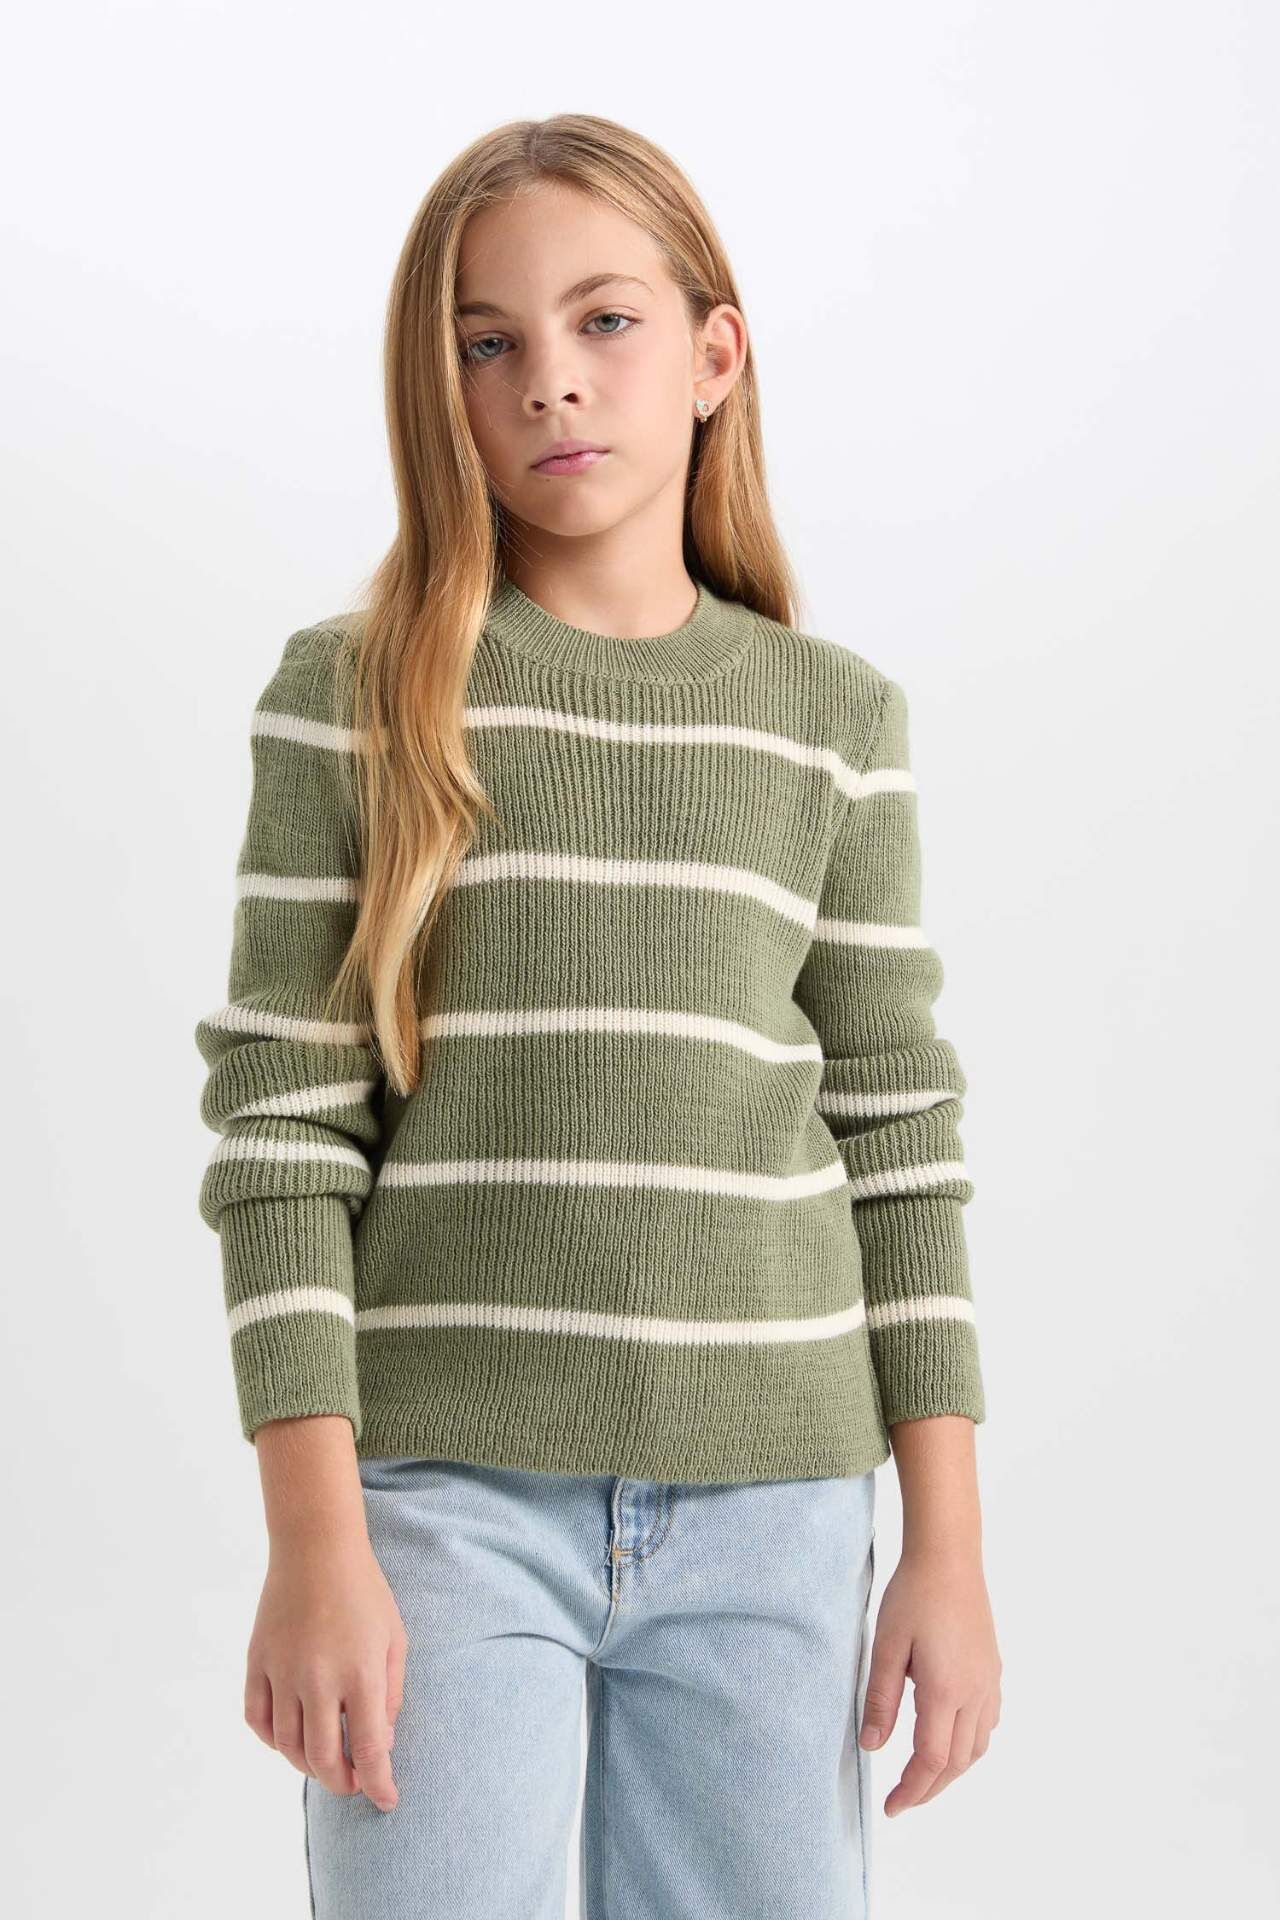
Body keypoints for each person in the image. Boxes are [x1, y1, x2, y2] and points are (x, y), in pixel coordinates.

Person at [194, 112, 1002, 1919]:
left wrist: (944, 1550)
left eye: (605, 321)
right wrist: (313, 1541)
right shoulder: (357, 695)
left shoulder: (830, 721)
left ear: (716, 356)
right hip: (441, 1509)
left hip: (779, 1512)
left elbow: (899, 1134)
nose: (548, 380)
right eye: (487, 342)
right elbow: (280, 1133)